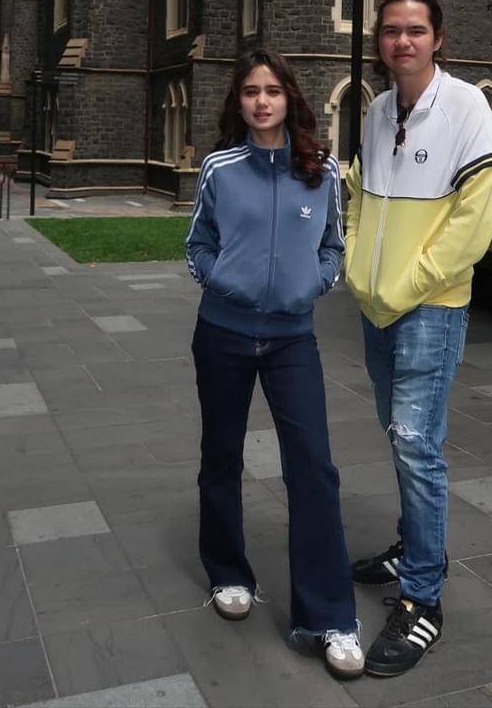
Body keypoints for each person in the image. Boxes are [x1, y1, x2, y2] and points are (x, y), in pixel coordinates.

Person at [186, 48, 364, 681]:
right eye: (250, 92)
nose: (262, 101)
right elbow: (198, 245)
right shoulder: (218, 168)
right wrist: (222, 281)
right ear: (238, 102)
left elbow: (334, 247)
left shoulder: (322, 170)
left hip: (292, 341)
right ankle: (228, 572)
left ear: (290, 98)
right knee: (221, 455)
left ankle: (331, 615)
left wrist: (310, 286)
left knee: (313, 468)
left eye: (272, 91)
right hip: (223, 334)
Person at [344, 0, 492, 678]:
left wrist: (409, 284)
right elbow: (357, 193)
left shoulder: (468, 107)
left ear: (438, 38)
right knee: (400, 437)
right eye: (390, 30)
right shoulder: (380, 111)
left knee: (416, 443)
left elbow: (474, 222)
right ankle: (413, 547)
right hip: (376, 307)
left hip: (431, 309)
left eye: (415, 30)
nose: (401, 41)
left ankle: (422, 598)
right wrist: (357, 269)